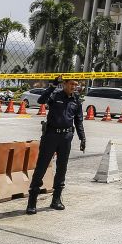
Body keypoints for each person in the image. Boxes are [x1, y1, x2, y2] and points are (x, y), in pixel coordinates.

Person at [27, 77, 86, 215]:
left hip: (66, 137)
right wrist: (52, 86)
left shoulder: (76, 99)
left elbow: (79, 120)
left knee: (62, 168)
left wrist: (82, 138)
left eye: (76, 85)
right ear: (64, 84)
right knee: (42, 166)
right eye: (71, 84)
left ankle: (56, 199)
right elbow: (41, 100)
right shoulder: (55, 95)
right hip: (51, 136)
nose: (74, 87)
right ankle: (32, 201)